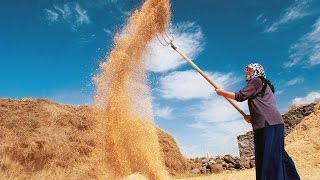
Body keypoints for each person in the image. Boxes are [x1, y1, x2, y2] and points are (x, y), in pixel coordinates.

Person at [215, 63, 300, 180]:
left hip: (270, 123)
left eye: (249, 70)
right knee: (275, 155)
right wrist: (251, 117)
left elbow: (240, 96)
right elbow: (261, 104)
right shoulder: (261, 84)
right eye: (246, 70)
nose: (247, 72)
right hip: (265, 124)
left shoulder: (257, 81)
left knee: (270, 157)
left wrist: (222, 93)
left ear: (257, 71)